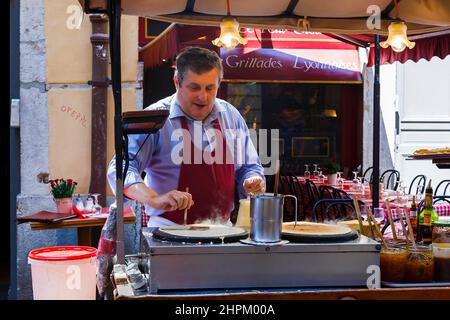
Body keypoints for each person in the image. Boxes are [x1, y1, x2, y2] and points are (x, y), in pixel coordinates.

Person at [107, 47, 265, 227]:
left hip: (223, 230)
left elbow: (249, 166)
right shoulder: (155, 118)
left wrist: (253, 181)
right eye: (194, 87)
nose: (203, 96)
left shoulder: (231, 115)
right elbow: (120, 168)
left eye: (210, 88)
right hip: (168, 229)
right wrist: (154, 198)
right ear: (177, 82)